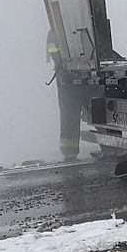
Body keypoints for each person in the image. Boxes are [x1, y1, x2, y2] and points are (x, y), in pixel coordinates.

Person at [47, 30, 82, 160]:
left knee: (69, 112)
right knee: (69, 112)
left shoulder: (59, 30)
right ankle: (68, 150)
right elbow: (53, 51)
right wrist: (62, 61)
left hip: (70, 75)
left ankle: (69, 149)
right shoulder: (54, 32)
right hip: (65, 76)